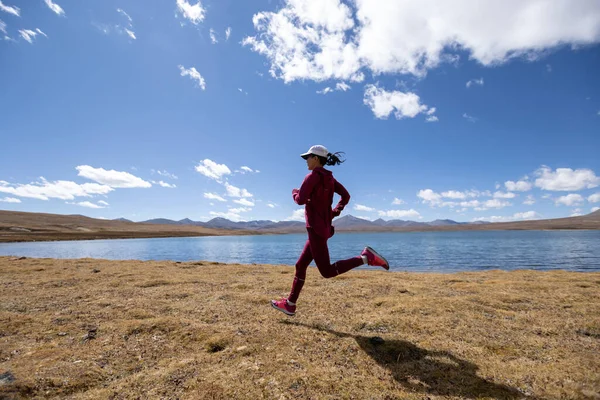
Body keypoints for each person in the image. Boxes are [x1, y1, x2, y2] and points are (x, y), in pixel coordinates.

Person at [271, 145, 389, 316]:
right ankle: (290, 304)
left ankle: (366, 258)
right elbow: (346, 196)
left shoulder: (311, 177)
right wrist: (334, 212)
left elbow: (300, 200)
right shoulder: (330, 179)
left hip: (316, 231)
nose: (306, 161)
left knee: (326, 271)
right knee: (300, 265)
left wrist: (294, 193)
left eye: (308, 157)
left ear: (317, 159)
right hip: (322, 229)